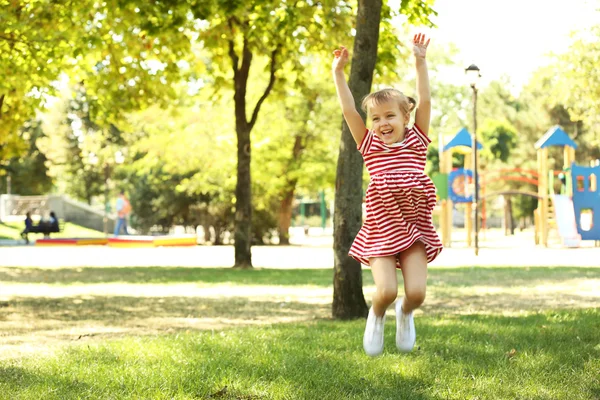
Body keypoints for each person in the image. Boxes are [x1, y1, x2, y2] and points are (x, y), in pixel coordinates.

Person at [332, 33, 443, 357]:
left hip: (415, 227)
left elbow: (426, 99)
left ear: (406, 116)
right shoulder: (370, 146)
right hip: (381, 228)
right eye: (376, 118)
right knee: (386, 290)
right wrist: (339, 74)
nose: (382, 123)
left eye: (390, 116)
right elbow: (350, 110)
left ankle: (405, 313)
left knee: (417, 293)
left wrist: (420, 61)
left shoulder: (418, 139)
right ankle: (378, 313)